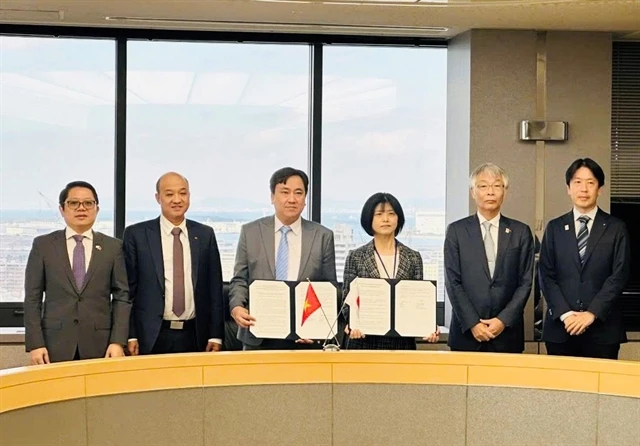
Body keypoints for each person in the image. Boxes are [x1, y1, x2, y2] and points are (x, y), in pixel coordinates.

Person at [229, 167, 337, 350]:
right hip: (258, 333)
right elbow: (240, 279)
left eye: (298, 193)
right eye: (285, 192)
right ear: (272, 197)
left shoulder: (322, 236)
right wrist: (237, 307)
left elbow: (329, 287)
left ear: (305, 199)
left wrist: (316, 327)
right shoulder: (251, 232)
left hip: (304, 337)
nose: (292, 199)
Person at [24, 181, 130, 364]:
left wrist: (118, 341)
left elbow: (122, 297)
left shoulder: (112, 247)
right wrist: (35, 344)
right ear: (62, 209)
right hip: (53, 345)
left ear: (97, 209)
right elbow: (32, 298)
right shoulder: (44, 246)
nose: (82, 208)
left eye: (88, 203)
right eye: (74, 203)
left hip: (101, 345)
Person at [123, 172, 224, 355]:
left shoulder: (204, 235)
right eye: (169, 194)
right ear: (158, 198)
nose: (177, 199)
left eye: (183, 193)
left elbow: (214, 289)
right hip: (151, 334)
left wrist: (215, 335)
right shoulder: (136, 235)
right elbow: (128, 291)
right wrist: (130, 335)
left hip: (194, 334)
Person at [539, 158, 630, 359]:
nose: (584, 189)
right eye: (577, 182)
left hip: (603, 330)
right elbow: (546, 275)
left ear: (600, 189)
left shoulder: (616, 228)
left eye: (590, 183)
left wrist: (591, 314)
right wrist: (566, 314)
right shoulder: (555, 228)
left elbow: (619, 275)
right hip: (561, 329)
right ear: (568, 188)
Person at [444, 163, 534, 353]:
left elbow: (525, 282)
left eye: (497, 186)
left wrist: (503, 321)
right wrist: (473, 323)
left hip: (507, 335)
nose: (490, 192)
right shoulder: (457, 231)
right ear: (472, 192)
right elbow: (453, 282)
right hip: (466, 334)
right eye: (483, 186)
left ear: (505, 192)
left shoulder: (520, 232)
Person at [343, 192, 440, 349]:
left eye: (391, 214)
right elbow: (347, 300)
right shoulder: (355, 257)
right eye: (379, 214)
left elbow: (419, 301)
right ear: (369, 219)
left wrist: (428, 325)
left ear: (398, 218)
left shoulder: (413, 257)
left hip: (401, 344)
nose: (385, 219)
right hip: (363, 342)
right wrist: (352, 323)